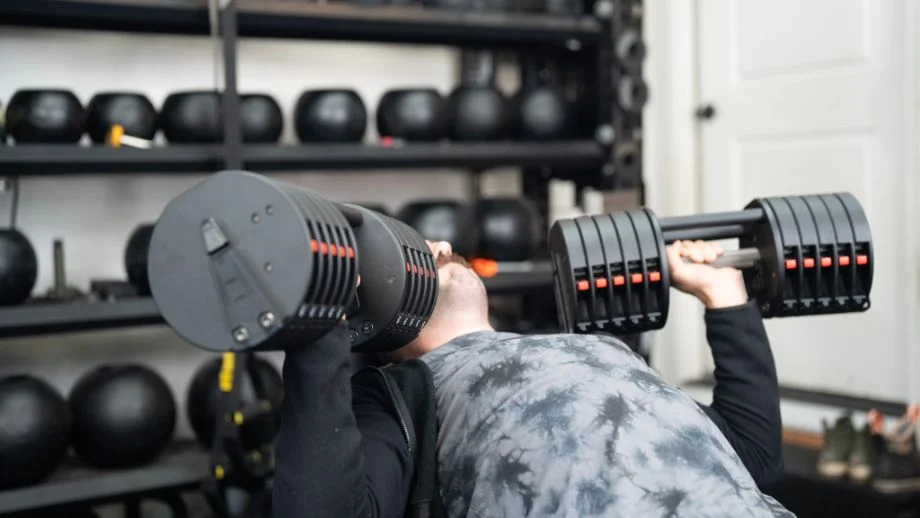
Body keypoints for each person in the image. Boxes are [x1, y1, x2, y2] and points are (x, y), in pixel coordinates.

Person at [272, 239, 794, 518]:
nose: (438, 244)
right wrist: (322, 330)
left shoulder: (588, 351)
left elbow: (752, 457)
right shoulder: (399, 395)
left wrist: (725, 297)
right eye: (406, 252)